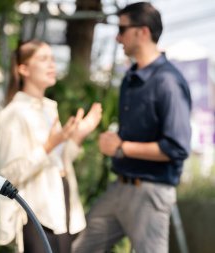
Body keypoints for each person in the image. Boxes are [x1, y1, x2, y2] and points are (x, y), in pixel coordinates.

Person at [73, 2, 192, 253]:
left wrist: (122, 147)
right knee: (81, 249)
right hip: (120, 187)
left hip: (150, 192)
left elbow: (177, 148)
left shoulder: (168, 82)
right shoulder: (130, 77)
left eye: (122, 29)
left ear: (143, 32)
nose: (117, 37)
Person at [0, 39, 102, 253]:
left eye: (52, 59)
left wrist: (79, 134)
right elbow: (9, 175)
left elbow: (59, 162)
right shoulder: (13, 114)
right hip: (35, 214)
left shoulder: (49, 109)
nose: (52, 65)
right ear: (23, 69)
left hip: (62, 206)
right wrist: (50, 145)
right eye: (43, 59)